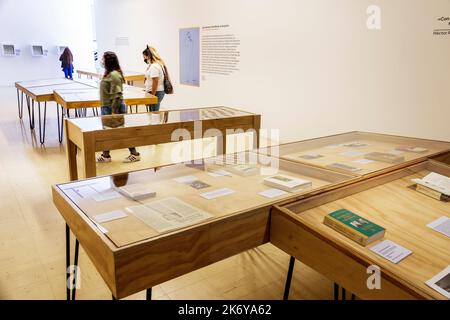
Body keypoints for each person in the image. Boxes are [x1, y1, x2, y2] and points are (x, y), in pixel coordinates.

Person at [96, 51, 141, 163]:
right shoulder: (110, 73)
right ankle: (106, 155)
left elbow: (117, 96)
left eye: (103, 59)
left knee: (121, 133)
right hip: (107, 107)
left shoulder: (114, 75)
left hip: (112, 108)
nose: (101, 61)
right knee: (108, 133)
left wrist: (114, 112)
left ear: (108, 61)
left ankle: (134, 154)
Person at [143, 45, 166, 111]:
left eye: (144, 56)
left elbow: (155, 82)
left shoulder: (154, 66)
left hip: (156, 92)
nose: (144, 58)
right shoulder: (153, 65)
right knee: (152, 112)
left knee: (154, 113)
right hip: (155, 91)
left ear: (148, 56)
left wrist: (152, 96)